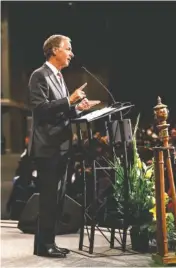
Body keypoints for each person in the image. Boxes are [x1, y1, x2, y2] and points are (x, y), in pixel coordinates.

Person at [28, 34, 99, 258]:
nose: (71, 53)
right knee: (49, 198)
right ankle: (43, 245)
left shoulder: (58, 77)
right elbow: (40, 109)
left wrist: (78, 108)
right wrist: (69, 100)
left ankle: (48, 243)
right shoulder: (39, 75)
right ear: (54, 50)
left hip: (61, 145)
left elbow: (61, 111)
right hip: (48, 147)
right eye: (68, 48)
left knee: (57, 199)